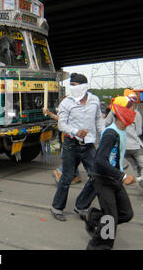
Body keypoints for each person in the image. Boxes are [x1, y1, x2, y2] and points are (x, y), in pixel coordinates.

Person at [50, 73, 105, 221]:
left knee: (97, 176)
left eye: (75, 86)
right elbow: (61, 125)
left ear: (84, 86)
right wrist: (76, 132)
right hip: (71, 145)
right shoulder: (66, 103)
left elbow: (99, 120)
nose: (72, 88)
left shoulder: (94, 100)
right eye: (71, 86)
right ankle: (56, 207)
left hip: (88, 146)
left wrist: (105, 135)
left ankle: (81, 205)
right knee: (67, 178)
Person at [85, 96, 136, 250]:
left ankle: (92, 217)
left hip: (114, 179)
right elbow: (100, 161)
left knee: (126, 214)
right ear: (121, 112)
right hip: (103, 179)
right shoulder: (110, 134)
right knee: (110, 219)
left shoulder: (122, 131)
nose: (134, 114)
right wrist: (124, 176)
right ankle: (99, 246)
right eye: (132, 110)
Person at [105, 90, 143, 197]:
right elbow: (139, 132)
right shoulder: (137, 113)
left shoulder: (114, 111)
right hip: (135, 146)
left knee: (127, 165)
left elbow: (105, 124)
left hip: (122, 145)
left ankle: (114, 187)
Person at [43, 107, 82, 184]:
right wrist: (50, 114)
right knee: (69, 158)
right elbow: (60, 120)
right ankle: (59, 171)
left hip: (74, 138)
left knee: (74, 157)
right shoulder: (69, 107)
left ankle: (76, 175)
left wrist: (50, 114)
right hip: (69, 138)